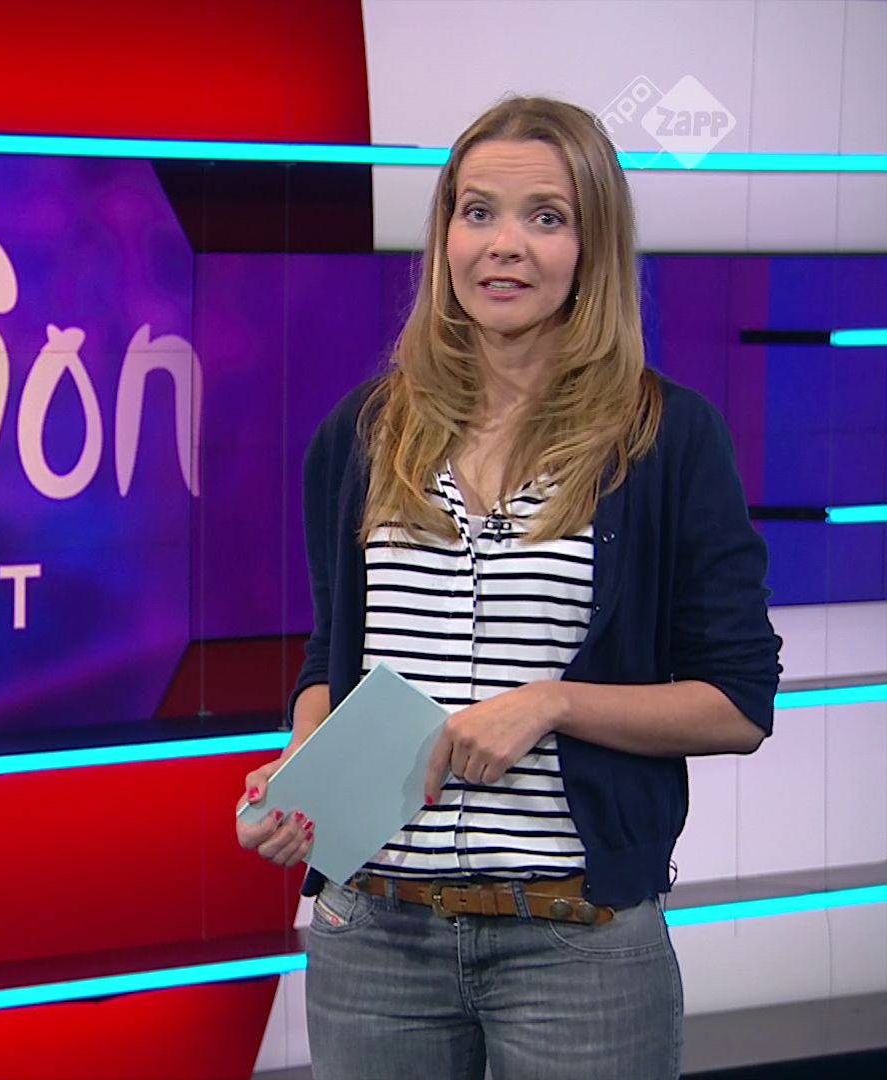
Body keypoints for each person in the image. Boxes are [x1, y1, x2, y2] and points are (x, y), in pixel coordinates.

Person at [234, 95, 781, 1080]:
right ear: (445, 232)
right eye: (477, 211)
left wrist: (554, 704)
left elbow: (738, 704)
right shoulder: (361, 434)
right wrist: (301, 764)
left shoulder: (667, 440)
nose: (505, 245)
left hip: (574, 942)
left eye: (547, 217)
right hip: (371, 934)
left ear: (592, 246)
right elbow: (333, 659)